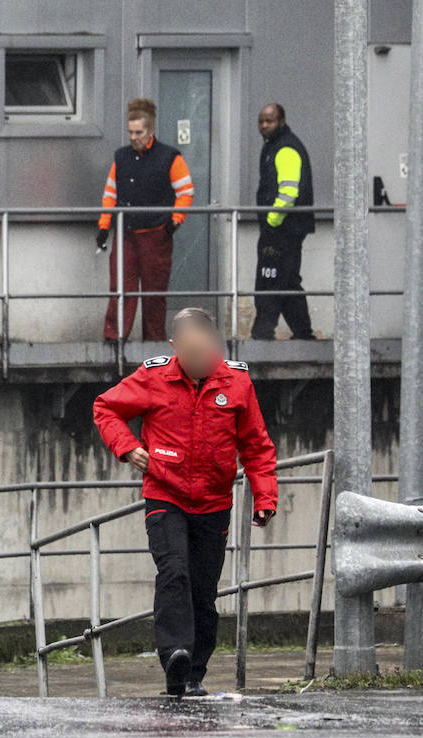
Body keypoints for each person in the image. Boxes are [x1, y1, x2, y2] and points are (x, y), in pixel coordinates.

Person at [92, 307, 278, 697]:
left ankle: (194, 672)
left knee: (203, 590)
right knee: (174, 572)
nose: (198, 363)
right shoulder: (153, 376)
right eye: (190, 355)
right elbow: (105, 408)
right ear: (175, 347)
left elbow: (257, 446)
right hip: (166, 494)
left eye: (204, 353)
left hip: (214, 502)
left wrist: (265, 495)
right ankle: (174, 656)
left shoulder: (238, 382)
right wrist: (127, 448)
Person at [95, 98, 195, 342]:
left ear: (150, 131)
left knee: (153, 294)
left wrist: (174, 221)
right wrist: (104, 226)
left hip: (155, 233)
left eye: (138, 132)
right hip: (127, 234)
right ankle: (114, 339)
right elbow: (110, 194)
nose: (133, 137)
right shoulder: (121, 157)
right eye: (130, 132)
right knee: (120, 290)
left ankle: (153, 343)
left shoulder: (170, 157)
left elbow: (186, 191)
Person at [250, 103, 316, 340]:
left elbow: (288, 192)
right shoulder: (275, 146)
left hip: (283, 227)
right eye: (261, 121)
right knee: (287, 279)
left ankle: (262, 332)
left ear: (282, 121)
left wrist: (272, 221)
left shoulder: (285, 148)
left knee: (270, 278)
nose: (264, 126)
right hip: (287, 226)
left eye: (269, 121)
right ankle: (303, 334)